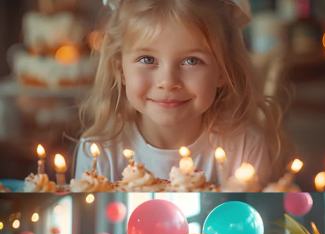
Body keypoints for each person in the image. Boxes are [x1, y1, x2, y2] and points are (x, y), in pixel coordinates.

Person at [74, 0, 285, 186]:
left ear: (222, 70)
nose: (168, 82)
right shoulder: (98, 153)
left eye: (191, 61)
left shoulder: (245, 147)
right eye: (147, 59)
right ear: (120, 69)